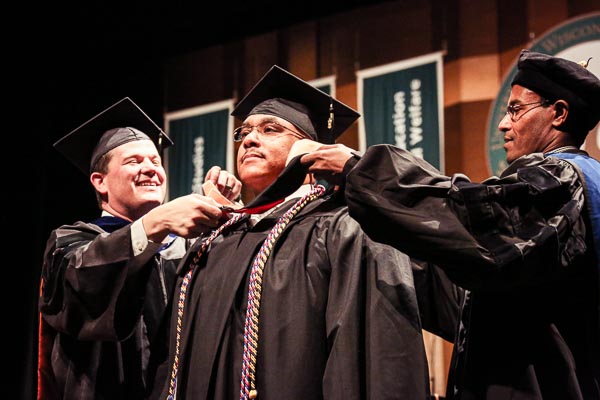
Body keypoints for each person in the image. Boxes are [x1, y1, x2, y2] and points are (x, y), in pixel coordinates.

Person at [302, 49, 600, 399]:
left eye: (516, 110)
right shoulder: (553, 201)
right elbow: (466, 299)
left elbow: (470, 219)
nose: (504, 123)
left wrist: (361, 169)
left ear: (559, 113)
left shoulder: (564, 180)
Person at [159, 65, 462, 400]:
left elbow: (373, 358)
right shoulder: (219, 240)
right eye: (244, 132)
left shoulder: (343, 228)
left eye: (270, 129)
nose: (249, 139)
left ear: (310, 150)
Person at [37, 97, 242, 400]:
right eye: (134, 161)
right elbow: (82, 291)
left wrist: (232, 215)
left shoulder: (184, 247)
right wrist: (154, 225)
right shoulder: (70, 243)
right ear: (99, 181)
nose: (150, 169)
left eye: (156, 162)